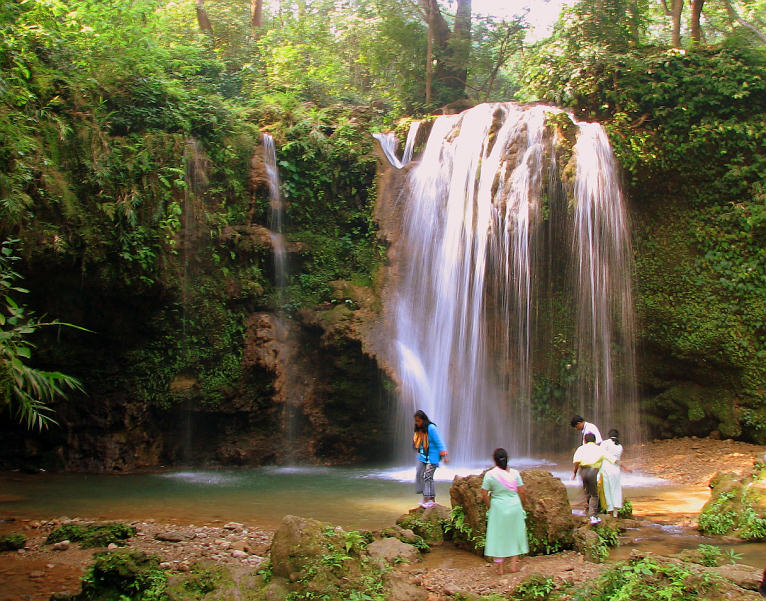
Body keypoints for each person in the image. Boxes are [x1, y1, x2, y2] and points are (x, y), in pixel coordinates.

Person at [481, 448, 528, 575]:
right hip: (514, 506)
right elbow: (522, 491)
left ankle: (500, 568)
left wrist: (490, 506)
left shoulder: (490, 475)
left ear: (494, 460)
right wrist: (522, 506)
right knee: (515, 534)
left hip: (498, 507)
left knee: (498, 536)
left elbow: (484, 494)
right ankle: (513, 566)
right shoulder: (515, 474)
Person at [413, 410, 448, 508]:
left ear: (423, 420)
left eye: (418, 421)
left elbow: (439, 441)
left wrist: (444, 455)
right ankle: (431, 499)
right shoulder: (419, 430)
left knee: (428, 476)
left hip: (433, 456)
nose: (417, 423)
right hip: (423, 456)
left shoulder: (431, 428)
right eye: (416, 421)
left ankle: (426, 499)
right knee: (419, 473)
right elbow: (418, 442)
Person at [573, 433, 605, 525]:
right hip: (592, 471)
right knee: (594, 495)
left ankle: (587, 512)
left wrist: (574, 473)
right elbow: (607, 459)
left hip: (582, 471)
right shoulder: (599, 449)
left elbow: (576, 462)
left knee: (587, 492)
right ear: (595, 441)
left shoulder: (581, 448)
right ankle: (593, 516)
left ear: (585, 441)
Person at [598, 429, 625, 518]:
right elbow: (617, 459)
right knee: (616, 490)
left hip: (606, 468)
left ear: (609, 435)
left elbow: (601, 454)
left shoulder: (605, 443)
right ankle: (615, 514)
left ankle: (609, 511)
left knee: (607, 489)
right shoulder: (620, 446)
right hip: (616, 470)